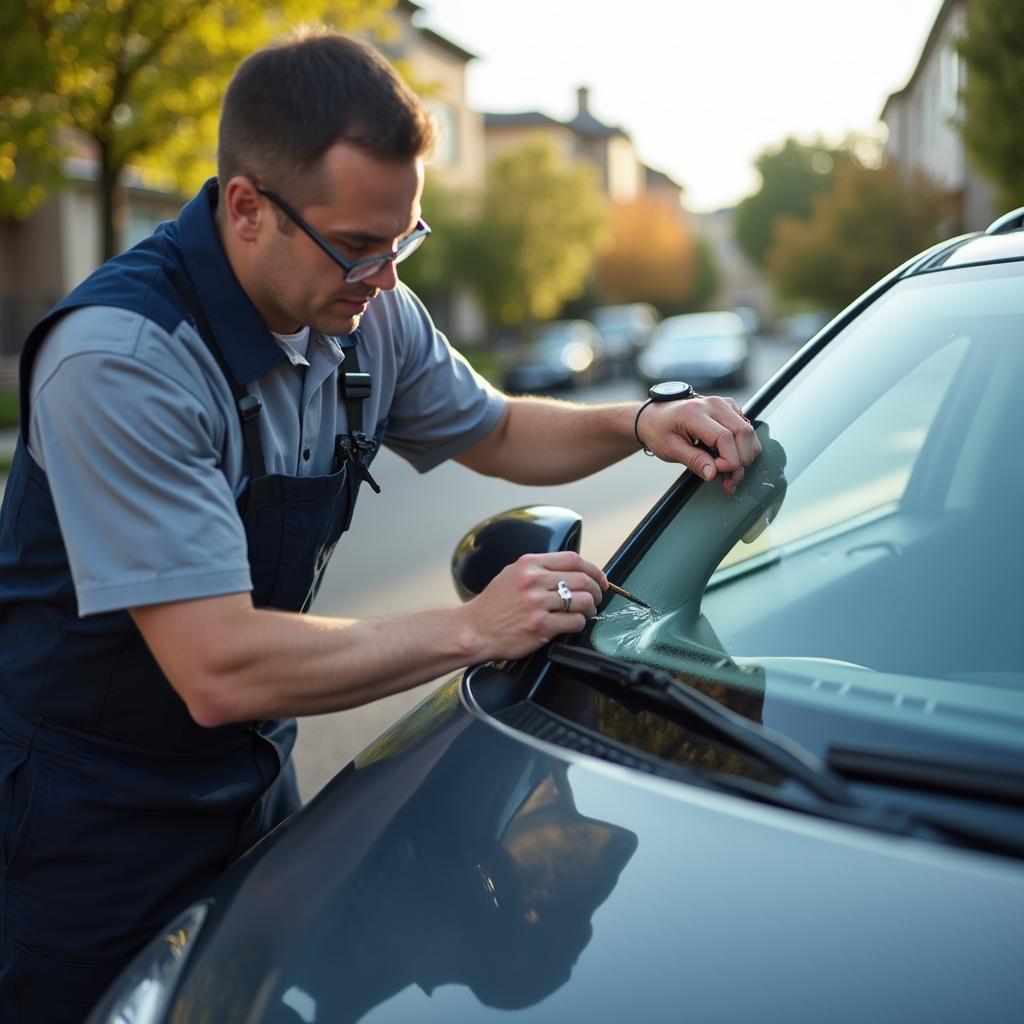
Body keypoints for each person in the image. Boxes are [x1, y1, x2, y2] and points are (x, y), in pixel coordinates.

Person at [0, 27, 759, 1020]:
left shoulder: (361, 309)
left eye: (403, 238)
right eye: (358, 244)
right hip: (81, 828)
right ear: (245, 207)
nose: (386, 277)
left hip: (246, 785)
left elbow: (496, 428)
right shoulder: (123, 359)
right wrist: (476, 629)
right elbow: (217, 664)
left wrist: (639, 423)